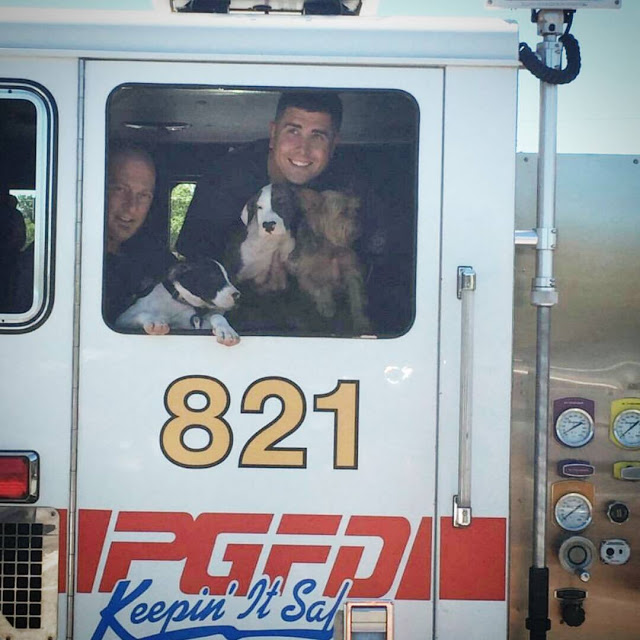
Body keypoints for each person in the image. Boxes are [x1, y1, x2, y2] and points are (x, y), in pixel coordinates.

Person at [175, 91, 387, 334]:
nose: (303, 150)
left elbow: (380, 261)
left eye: (317, 136)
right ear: (273, 133)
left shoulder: (351, 184)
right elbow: (193, 262)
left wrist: (343, 277)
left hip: (323, 322)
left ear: (334, 143)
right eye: (293, 131)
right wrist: (240, 285)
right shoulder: (228, 178)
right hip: (233, 326)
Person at [103, 145, 175, 325]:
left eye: (143, 195)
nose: (131, 207)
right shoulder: (52, 260)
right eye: (120, 189)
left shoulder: (156, 260)